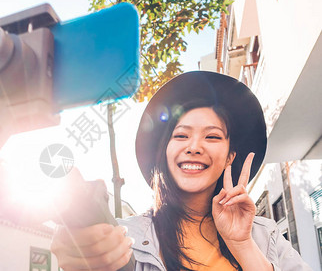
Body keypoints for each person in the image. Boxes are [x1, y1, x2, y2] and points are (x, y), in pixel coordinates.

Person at [51, 71, 312, 271]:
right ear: (165, 151)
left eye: (212, 137)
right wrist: (82, 246)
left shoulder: (266, 234)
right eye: (181, 135)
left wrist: (243, 245)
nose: (194, 147)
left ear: (230, 156)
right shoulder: (124, 237)